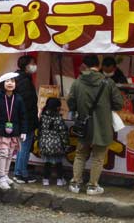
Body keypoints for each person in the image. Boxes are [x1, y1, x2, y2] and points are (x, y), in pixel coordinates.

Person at [68, 54, 123, 196]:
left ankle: (75, 183)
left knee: (80, 154)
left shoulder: (77, 82)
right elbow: (119, 103)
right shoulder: (107, 82)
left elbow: (71, 103)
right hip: (103, 126)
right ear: (98, 66)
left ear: (84, 66)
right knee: (98, 157)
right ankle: (92, 187)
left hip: (84, 126)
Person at [0, 72, 27, 191]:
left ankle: (5, 175)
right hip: (1, 131)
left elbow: (23, 116)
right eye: (7, 81)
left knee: (9, 154)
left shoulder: (18, 99)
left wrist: (23, 131)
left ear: (15, 84)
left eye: (12, 81)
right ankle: (0, 177)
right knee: (2, 153)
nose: (10, 83)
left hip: (14, 132)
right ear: (3, 84)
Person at [13, 55, 39, 184]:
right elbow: (27, 103)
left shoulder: (18, 78)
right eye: (33, 63)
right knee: (24, 148)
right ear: (26, 65)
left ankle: (19, 172)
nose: (35, 65)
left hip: (22, 120)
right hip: (26, 121)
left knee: (22, 147)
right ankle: (20, 173)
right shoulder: (25, 81)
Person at [38, 97, 69, 187]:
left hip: (44, 144)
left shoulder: (43, 116)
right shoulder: (58, 118)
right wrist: (66, 144)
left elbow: (40, 131)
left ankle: (45, 180)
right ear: (57, 107)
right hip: (56, 145)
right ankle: (59, 180)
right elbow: (63, 133)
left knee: (47, 163)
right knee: (58, 163)